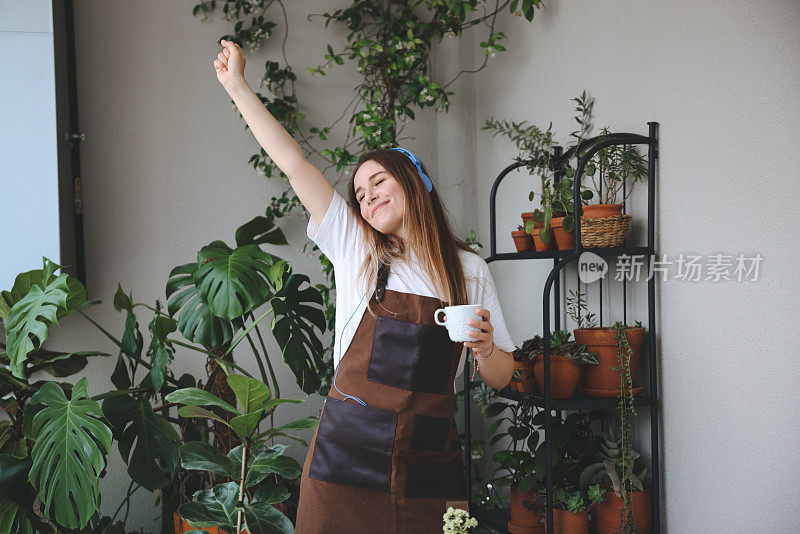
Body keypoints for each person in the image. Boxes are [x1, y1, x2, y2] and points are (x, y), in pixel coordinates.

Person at [214, 39, 515, 533]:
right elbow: (294, 164)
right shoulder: (358, 249)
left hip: (427, 466)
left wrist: (484, 349)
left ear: (414, 182)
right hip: (346, 464)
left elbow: (502, 376)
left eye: (378, 181)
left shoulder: (468, 269)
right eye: (359, 192)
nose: (367, 195)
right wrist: (238, 86)